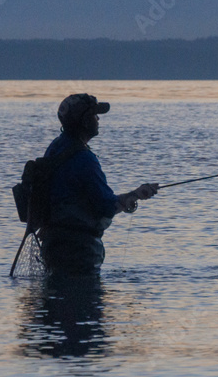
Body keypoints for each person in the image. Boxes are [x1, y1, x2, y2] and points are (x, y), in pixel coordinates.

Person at [37, 93, 159, 275]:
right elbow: (107, 206)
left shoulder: (55, 147)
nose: (98, 119)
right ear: (85, 121)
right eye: (94, 115)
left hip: (52, 244)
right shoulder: (85, 159)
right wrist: (136, 194)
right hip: (78, 251)